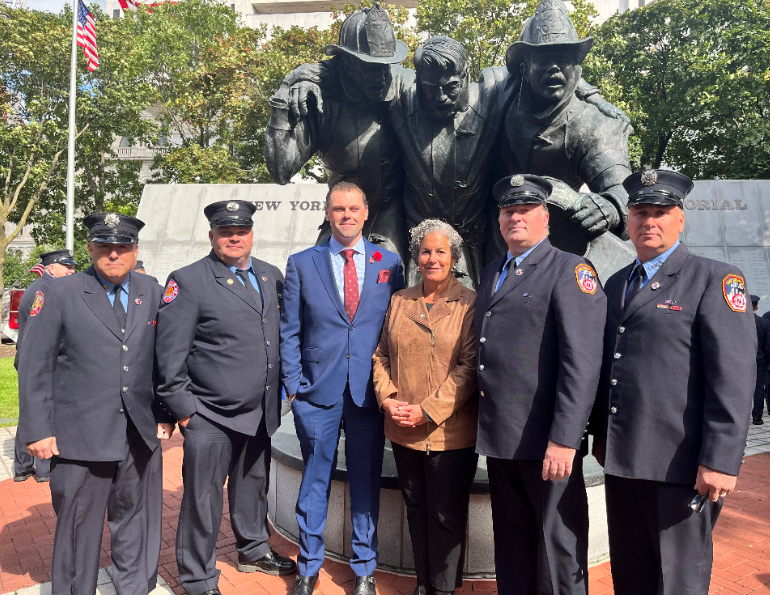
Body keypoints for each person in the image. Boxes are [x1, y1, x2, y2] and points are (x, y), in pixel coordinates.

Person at [591, 169, 756, 595]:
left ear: (680, 219)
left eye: (660, 212)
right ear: (629, 220)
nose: (649, 221)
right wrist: (602, 436)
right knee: (631, 576)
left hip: (680, 465)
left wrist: (721, 460)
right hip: (623, 460)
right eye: (640, 212)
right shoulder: (617, 283)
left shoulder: (715, 278)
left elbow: (733, 376)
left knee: (677, 582)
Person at [16, 214, 166, 595]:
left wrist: (165, 413)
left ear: (135, 251)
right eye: (105, 246)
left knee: (135, 524)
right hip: (79, 437)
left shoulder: (151, 290)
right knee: (78, 531)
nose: (114, 254)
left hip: (138, 434)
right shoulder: (60, 293)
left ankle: (133, 588)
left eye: (122, 247)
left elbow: (163, 357)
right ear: (89, 248)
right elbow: (34, 364)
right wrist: (38, 429)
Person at [154, 200, 296, 595]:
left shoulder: (270, 275)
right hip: (209, 415)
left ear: (251, 234)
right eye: (225, 231)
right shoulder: (188, 280)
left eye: (241, 231)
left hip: (259, 411)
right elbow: (169, 356)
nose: (234, 237)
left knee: (253, 488)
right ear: (211, 235)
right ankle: (198, 578)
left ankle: (253, 550)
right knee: (202, 501)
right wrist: (186, 413)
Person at [475, 174, 607, 595]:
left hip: (548, 443)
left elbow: (582, 363)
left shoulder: (569, 270)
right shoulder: (494, 271)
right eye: (508, 211)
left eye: (525, 210)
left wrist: (566, 439)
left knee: (558, 550)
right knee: (512, 545)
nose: (516, 217)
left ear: (545, 218)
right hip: (503, 437)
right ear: (499, 220)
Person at [280, 181, 404, 595]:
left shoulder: (390, 263)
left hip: (369, 394)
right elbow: (290, 330)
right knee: (314, 480)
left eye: (353, 209)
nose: (346, 215)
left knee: (366, 480)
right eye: (338, 209)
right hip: (317, 394)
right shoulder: (302, 263)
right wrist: (294, 387)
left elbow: (394, 329)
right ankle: (308, 565)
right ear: (328, 213)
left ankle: (365, 567)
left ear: (366, 212)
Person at [372, 219, 478, 595]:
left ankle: (443, 589)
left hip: (450, 432)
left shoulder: (469, 303)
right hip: (404, 429)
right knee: (415, 509)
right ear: (417, 257)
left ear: (454, 258)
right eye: (425, 251)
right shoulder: (400, 300)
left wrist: (428, 410)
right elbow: (381, 355)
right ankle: (423, 583)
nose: (432, 258)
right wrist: (387, 398)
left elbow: (469, 367)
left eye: (441, 252)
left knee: (446, 515)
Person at [265, 2, 411, 263]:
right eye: (370, 67)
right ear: (346, 63)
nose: (381, 76)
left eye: (385, 65)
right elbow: (281, 170)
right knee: (316, 276)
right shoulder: (321, 99)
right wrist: (284, 96)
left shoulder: (405, 83)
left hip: (395, 221)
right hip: (344, 221)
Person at [495, 0, 633, 244]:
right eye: (543, 60)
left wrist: (610, 207)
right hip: (497, 238)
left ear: (576, 67)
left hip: (559, 246)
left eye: (562, 59)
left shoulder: (595, 126)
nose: (554, 68)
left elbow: (623, 190)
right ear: (525, 69)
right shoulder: (500, 95)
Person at [13, 249, 76, 483]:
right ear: (51, 268)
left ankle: (23, 467)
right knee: (42, 411)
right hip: (40, 359)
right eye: (67, 267)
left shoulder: (42, 287)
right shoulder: (45, 290)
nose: (72, 271)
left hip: (33, 357)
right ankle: (43, 468)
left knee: (31, 411)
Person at [751, 295, 770, 424]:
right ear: (757, 307)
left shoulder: (739, 322)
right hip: (760, 360)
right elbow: (768, 345)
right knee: (758, 387)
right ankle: (757, 417)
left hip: (742, 360)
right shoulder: (764, 323)